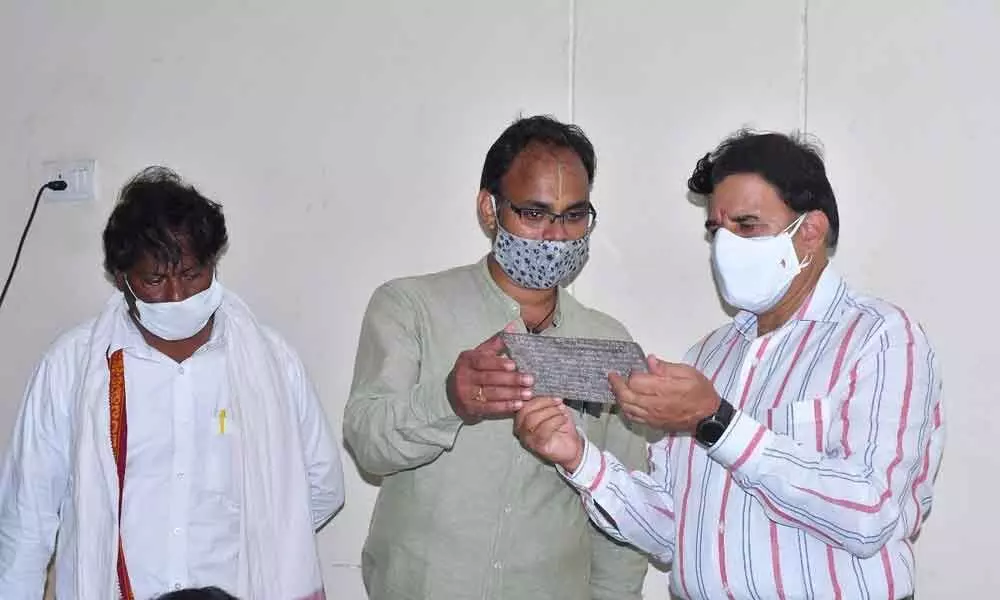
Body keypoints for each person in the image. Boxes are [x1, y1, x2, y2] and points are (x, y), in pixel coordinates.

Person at [514, 130, 943, 600]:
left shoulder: (879, 338)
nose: (725, 245)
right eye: (716, 229)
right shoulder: (709, 355)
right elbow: (670, 529)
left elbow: (870, 513)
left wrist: (718, 422)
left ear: (812, 232)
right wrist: (577, 458)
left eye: (747, 225)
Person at [0, 167, 345, 600]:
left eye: (192, 274)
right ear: (122, 279)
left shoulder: (272, 363)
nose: (178, 296)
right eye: (156, 280)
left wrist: (266, 540)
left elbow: (321, 484)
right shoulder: (72, 367)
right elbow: (26, 519)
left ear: (213, 266)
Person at [343, 115, 649, 600]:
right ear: (489, 209)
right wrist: (448, 401)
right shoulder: (411, 307)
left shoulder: (605, 342)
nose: (555, 236)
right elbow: (368, 444)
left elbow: (624, 502)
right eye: (534, 213)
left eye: (574, 216)